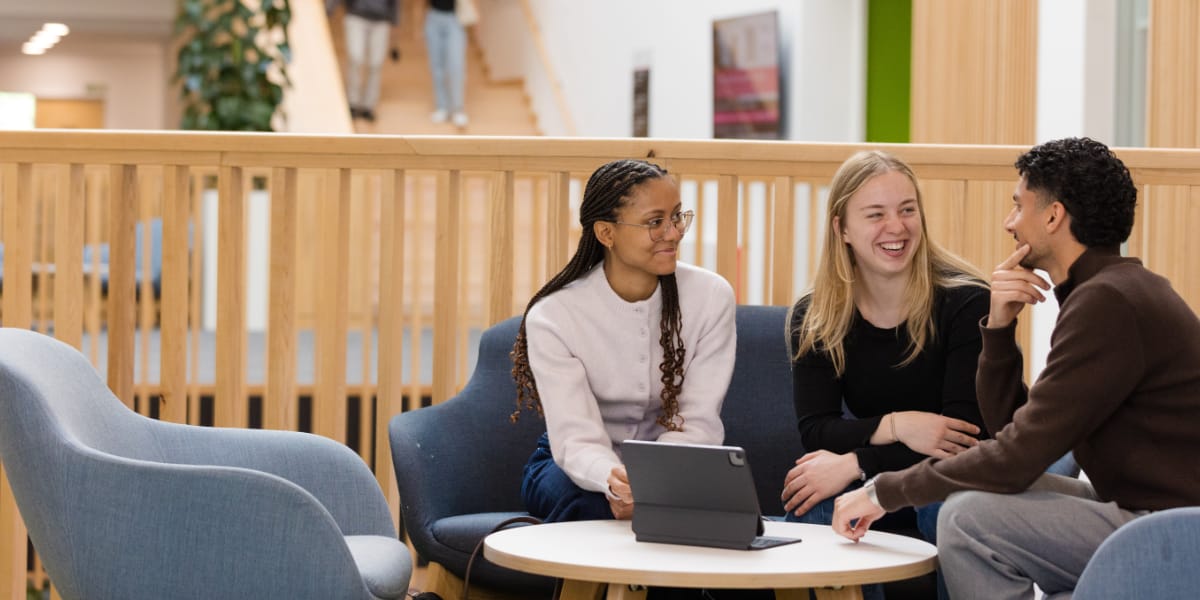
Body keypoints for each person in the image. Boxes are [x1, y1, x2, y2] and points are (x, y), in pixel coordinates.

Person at [830, 137, 1200, 599]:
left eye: (1017, 206)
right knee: (969, 499)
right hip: (1140, 511)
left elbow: (1018, 457)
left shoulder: (1108, 303)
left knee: (969, 519)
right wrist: (1000, 327)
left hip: (1171, 530)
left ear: (1052, 216)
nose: (1009, 223)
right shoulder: (1113, 291)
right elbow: (1010, 431)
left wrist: (885, 491)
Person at [784, 150, 989, 599]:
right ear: (842, 229)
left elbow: (962, 440)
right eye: (875, 214)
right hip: (892, 470)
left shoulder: (967, 301)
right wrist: (901, 425)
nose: (896, 227)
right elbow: (817, 431)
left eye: (907, 210)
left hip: (959, 477)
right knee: (810, 507)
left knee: (943, 510)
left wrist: (859, 461)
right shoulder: (816, 315)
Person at [510, 158, 736, 524]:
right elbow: (575, 437)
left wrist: (654, 482)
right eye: (654, 222)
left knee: (714, 514)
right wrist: (614, 482)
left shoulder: (712, 296)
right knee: (591, 508)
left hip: (675, 462)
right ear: (606, 233)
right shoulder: (554, 315)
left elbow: (697, 420)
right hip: (572, 466)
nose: (674, 233)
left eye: (677, 217)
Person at [327, 0, 399, 122]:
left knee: (375, 64)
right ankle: (353, 102)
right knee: (356, 58)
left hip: (381, 20)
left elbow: (395, 4)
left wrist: (396, 29)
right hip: (356, 16)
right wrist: (329, 9)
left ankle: (368, 106)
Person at [423, 0, 471, 127]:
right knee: (437, 67)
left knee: (456, 66)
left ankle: (457, 109)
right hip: (433, 17)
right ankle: (442, 107)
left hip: (455, 18)